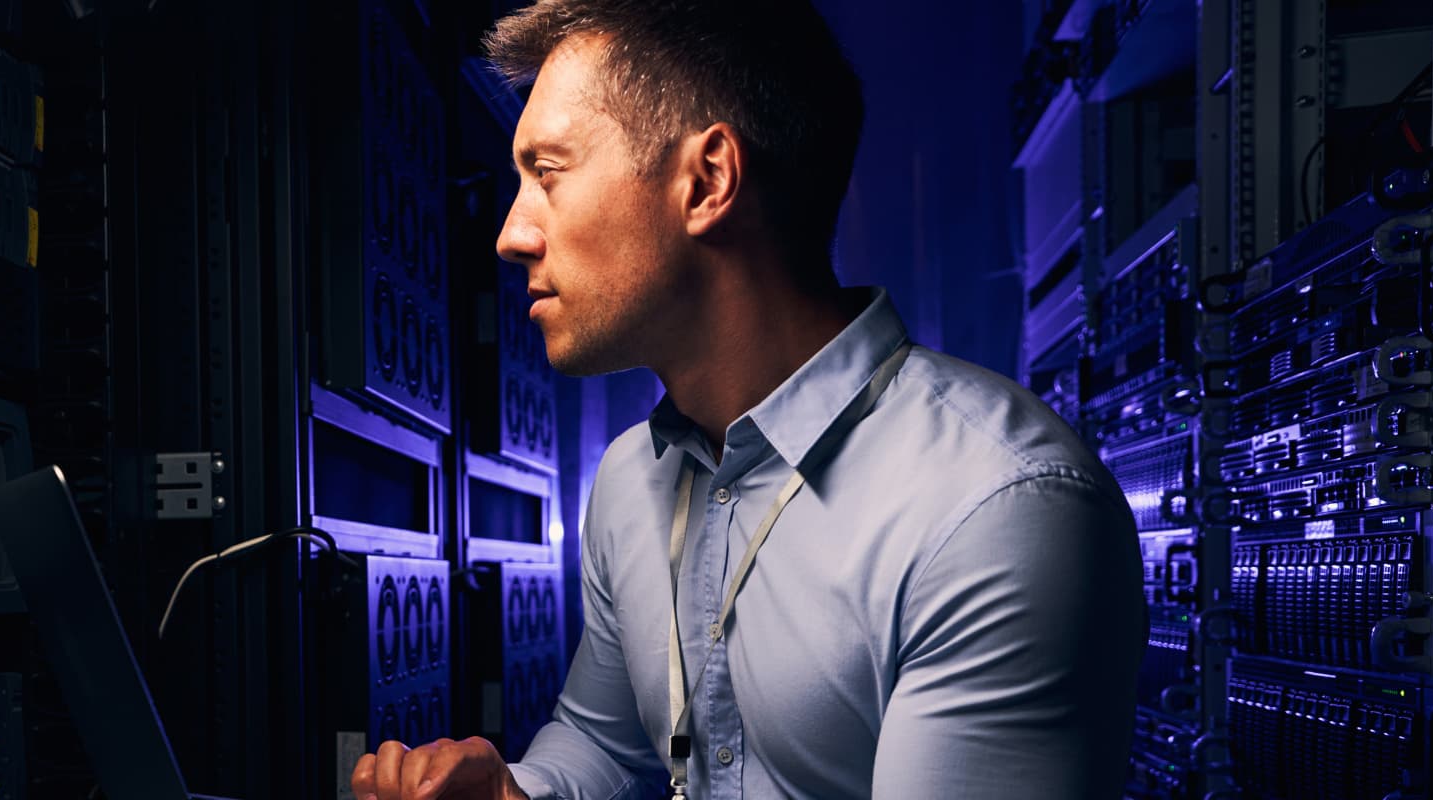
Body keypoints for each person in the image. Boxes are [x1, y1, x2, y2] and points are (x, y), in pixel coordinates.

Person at [349, 1, 1145, 798]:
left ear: (707, 181)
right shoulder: (631, 480)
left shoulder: (995, 510)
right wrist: (514, 793)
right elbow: (605, 742)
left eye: (548, 173)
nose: (512, 234)